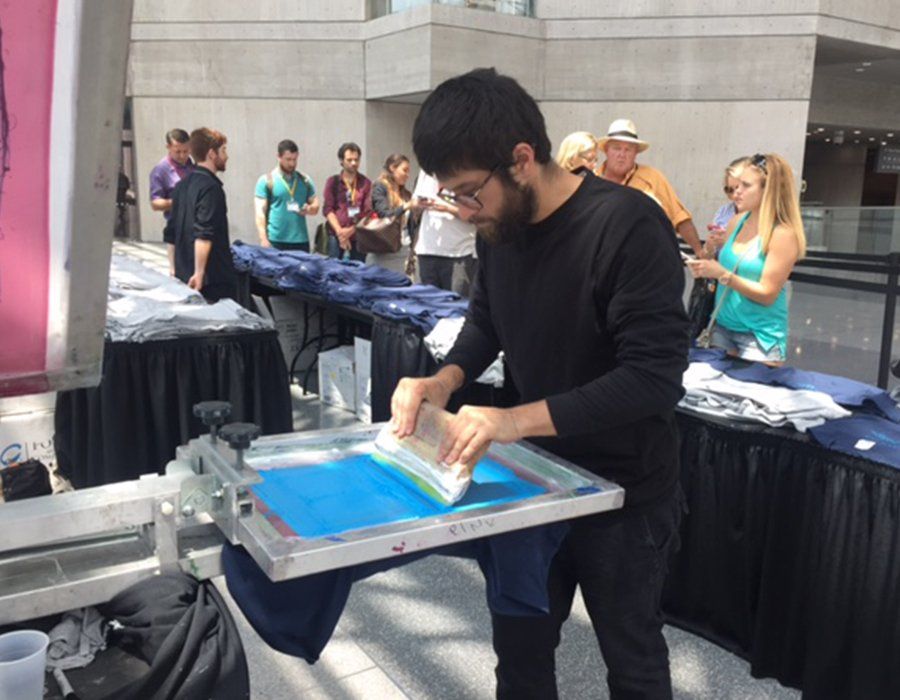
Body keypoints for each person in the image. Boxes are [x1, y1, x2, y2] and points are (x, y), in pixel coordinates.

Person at [391, 68, 689, 699]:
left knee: (632, 661)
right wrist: (444, 380)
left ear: (521, 159)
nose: (466, 212)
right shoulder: (503, 228)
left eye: (470, 193)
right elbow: (487, 322)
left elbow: (653, 379)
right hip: (533, 485)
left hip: (624, 493)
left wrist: (512, 420)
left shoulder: (628, 227)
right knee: (521, 656)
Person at [687, 153, 807, 365]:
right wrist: (706, 267)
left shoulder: (783, 234)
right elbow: (726, 267)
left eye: (745, 185)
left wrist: (722, 274)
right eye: (735, 186)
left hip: (759, 339)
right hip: (721, 328)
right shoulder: (736, 222)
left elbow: (768, 293)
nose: (736, 192)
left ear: (767, 190)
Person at [596, 119, 703, 257]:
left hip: (642, 259)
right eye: (616, 148)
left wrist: (700, 252)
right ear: (606, 150)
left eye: (628, 149)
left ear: (636, 153)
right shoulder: (592, 179)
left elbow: (679, 216)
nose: (622, 155)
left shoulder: (652, 177)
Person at [164, 127, 237, 303]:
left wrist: (173, 268)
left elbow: (171, 232)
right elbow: (204, 233)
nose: (226, 156)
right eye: (223, 150)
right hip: (211, 280)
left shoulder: (181, 186)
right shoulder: (211, 188)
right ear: (212, 154)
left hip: (184, 276)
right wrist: (199, 272)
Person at [412, 170, 477, 296]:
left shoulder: (467, 170)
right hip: (427, 251)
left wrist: (446, 208)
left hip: (459, 253)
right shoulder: (426, 172)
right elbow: (414, 204)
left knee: (455, 309)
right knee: (427, 308)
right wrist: (420, 205)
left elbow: (475, 215)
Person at [254, 139, 319, 252]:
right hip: (275, 241)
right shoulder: (266, 181)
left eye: (295, 159)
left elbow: (316, 205)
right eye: (288, 159)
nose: (292, 164)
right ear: (278, 157)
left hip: (301, 242)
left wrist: (310, 209)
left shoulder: (305, 180)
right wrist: (263, 239)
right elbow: (260, 212)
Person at [367, 153, 422, 275]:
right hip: (383, 250)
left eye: (409, 171)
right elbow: (384, 214)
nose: (407, 175)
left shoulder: (406, 194)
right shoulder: (380, 186)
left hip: (403, 249)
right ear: (392, 168)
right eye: (404, 170)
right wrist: (406, 206)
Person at [150, 128, 194, 274]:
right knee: (178, 274)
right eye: (178, 151)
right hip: (177, 229)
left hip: (197, 227)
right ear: (168, 147)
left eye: (186, 151)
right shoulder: (160, 171)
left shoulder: (193, 166)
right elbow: (155, 204)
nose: (182, 155)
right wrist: (181, 202)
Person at [322, 142, 372, 261]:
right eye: (349, 160)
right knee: (334, 272)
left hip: (358, 237)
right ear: (341, 161)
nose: (354, 163)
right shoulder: (332, 182)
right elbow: (328, 209)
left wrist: (351, 231)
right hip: (336, 236)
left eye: (356, 160)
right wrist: (341, 233)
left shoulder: (366, 183)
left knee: (357, 273)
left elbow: (368, 213)